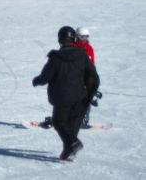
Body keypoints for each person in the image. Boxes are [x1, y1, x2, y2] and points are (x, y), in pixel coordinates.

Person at [33, 26, 100, 161]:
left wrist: (37, 81)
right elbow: (93, 76)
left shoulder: (55, 58)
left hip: (62, 99)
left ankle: (73, 145)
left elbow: (45, 77)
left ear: (60, 40)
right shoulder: (82, 55)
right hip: (80, 98)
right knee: (70, 128)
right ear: (73, 39)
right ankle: (69, 151)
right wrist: (89, 93)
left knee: (59, 122)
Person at [74, 27, 97, 128]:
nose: (84, 39)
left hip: (86, 78)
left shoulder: (89, 48)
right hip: (74, 78)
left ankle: (83, 119)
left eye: (86, 36)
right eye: (82, 36)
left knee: (86, 98)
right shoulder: (73, 48)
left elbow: (92, 64)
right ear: (77, 36)